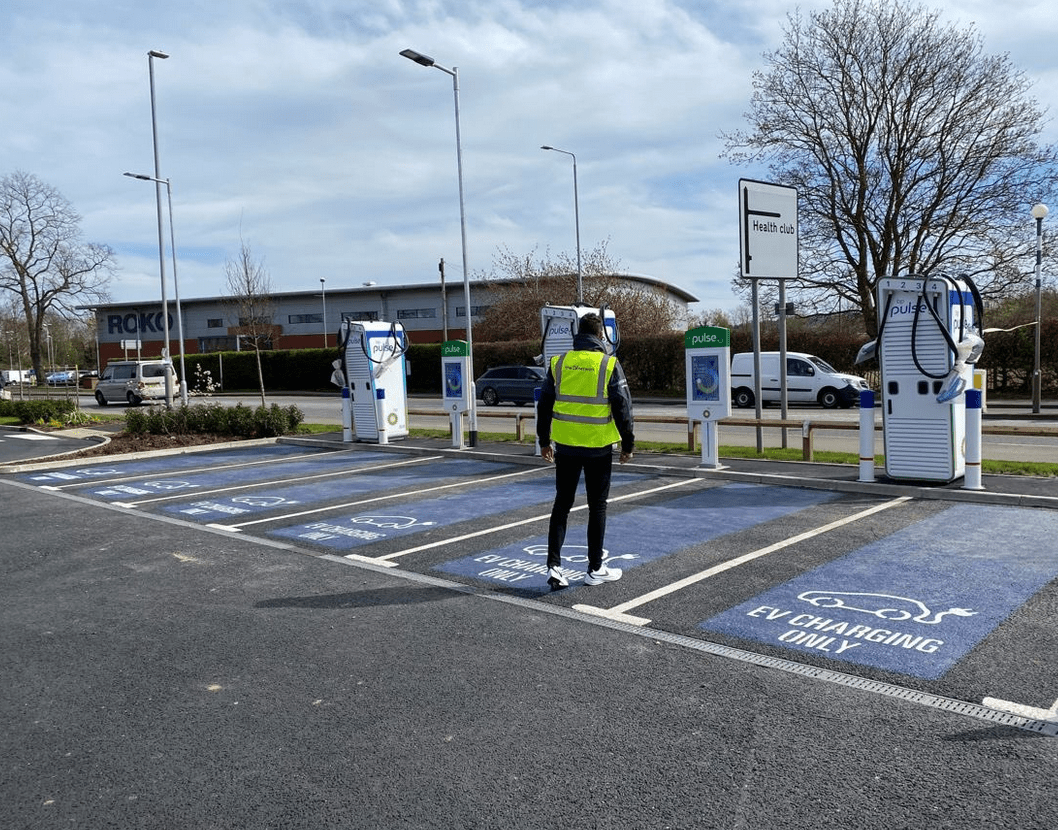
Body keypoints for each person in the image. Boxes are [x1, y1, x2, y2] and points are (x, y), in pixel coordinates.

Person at [536, 312, 635, 590]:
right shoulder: (608, 364)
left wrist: (544, 441)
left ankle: (554, 566)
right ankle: (594, 569)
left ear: (577, 335)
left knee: (562, 505)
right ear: (601, 335)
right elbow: (623, 408)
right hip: (598, 448)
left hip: (565, 447)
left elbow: (544, 405)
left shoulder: (559, 363)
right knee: (597, 507)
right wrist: (628, 445)